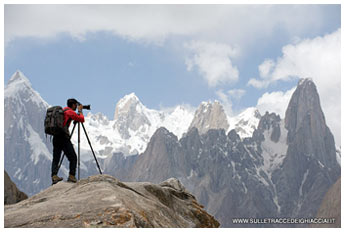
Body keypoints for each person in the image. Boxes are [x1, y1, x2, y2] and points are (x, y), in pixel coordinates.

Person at [51, 98, 84, 185]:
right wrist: (80, 111)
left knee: (56, 158)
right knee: (73, 157)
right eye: (76, 105)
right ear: (73, 105)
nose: (76, 107)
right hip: (63, 137)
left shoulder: (63, 111)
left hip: (56, 137)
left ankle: (54, 176)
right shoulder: (70, 112)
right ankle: (72, 176)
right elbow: (81, 119)